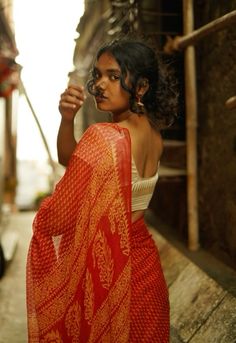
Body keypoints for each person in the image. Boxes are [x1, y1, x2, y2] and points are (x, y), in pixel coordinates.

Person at [26, 37, 178, 342]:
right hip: (147, 275)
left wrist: (46, 212)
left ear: (141, 87)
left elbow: (55, 219)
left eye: (113, 76)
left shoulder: (104, 138)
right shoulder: (154, 135)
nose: (100, 85)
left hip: (111, 280)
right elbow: (75, 160)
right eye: (98, 75)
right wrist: (67, 120)